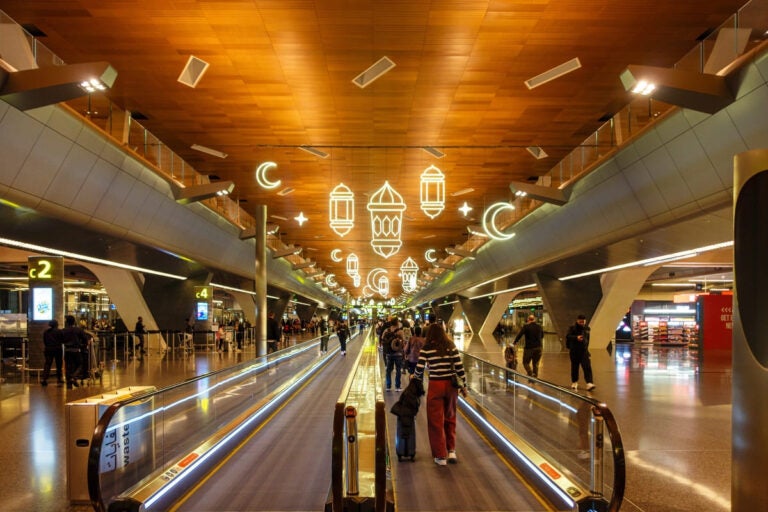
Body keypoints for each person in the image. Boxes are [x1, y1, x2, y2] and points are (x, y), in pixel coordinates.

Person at [413, 323, 467, 466]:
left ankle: (440, 455)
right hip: (451, 386)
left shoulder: (427, 348)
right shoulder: (450, 345)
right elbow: (460, 367)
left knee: (435, 420)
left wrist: (415, 377)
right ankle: (451, 451)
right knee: (450, 417)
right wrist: (464, 386)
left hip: (436, 385)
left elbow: (420, 368)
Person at [565, 314, 595, 390]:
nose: (582, 323)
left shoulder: (587, 329)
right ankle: (574, 382)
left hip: (584, 351)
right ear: (577, 321)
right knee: (575, 367)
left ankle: (589, 383)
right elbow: (568, 336)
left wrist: (587, 350)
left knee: (587, 367)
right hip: (574, 351)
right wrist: (576, 337)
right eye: (580, 321)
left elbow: (587, 340)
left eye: (583, 322)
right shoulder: (572, 328)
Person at [61, 314, 91, 389]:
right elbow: (85, 339)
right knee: (80, 364)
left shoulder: (63, 330)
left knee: (68, 367)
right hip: (76, 350)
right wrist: (82, 346)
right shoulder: (78, 330)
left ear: (66, 322)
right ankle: (74, 377)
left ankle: (69, 384)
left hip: (67, 350)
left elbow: (61, 340)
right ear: (74, 322)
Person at [513, 314, 544, 379]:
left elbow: (520, 335)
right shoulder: (539, 326)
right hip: (539, 347)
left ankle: (530, 373)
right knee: (535, 363)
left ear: (528, 319)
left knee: (525, 362)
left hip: (529, 348)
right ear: (534, 319)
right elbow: (542, 336)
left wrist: (515, 342)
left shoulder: (526, 326)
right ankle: (535, 377)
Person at [381, 319, 405, 391]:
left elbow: (382, 339)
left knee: (388, 370)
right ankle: (397, 387)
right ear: (397, 323)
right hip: (398, 354)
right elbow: (403, 341)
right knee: (398, 370)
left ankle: (388, 387)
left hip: (389, 354)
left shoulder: (386, 330)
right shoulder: (400, 331)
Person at [41, 319, 64, 387]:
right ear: (56, 324)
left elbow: (44, 341)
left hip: (48, 349)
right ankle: (59, 379)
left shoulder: (46, 332)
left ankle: (44, 379)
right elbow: (62, 340)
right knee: (59, 364)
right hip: (57, 349)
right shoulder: (60, 331)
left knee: (47, 364)